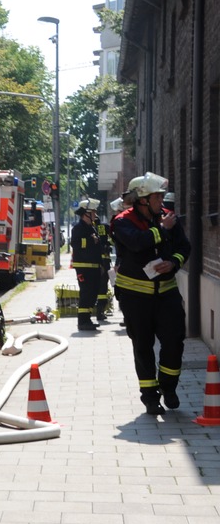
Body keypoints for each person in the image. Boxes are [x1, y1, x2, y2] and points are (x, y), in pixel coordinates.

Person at [111, 172, 191, 416]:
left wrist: (174, 264)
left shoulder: (167, 217)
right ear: (143, 200)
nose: (162, 201)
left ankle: (169, 387)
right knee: (143, 346)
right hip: (135, 297)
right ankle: (150, 398)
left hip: (166, 293)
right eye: (158, 197)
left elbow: (184, 247)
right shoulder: (122, 221)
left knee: (174, 342)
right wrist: (162, 230)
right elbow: (137, 242)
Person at [69, 197, 106, 331]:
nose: (95, 215)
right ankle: (82, 321)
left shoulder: (91, 228)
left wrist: (101, 264)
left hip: (94, 267)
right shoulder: (78, 228)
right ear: (86, 214)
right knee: (86, 293)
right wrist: (91, 241)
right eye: (93, 213)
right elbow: (76, 244)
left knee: (93, 293)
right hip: (84, 267)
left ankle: (87, 318)